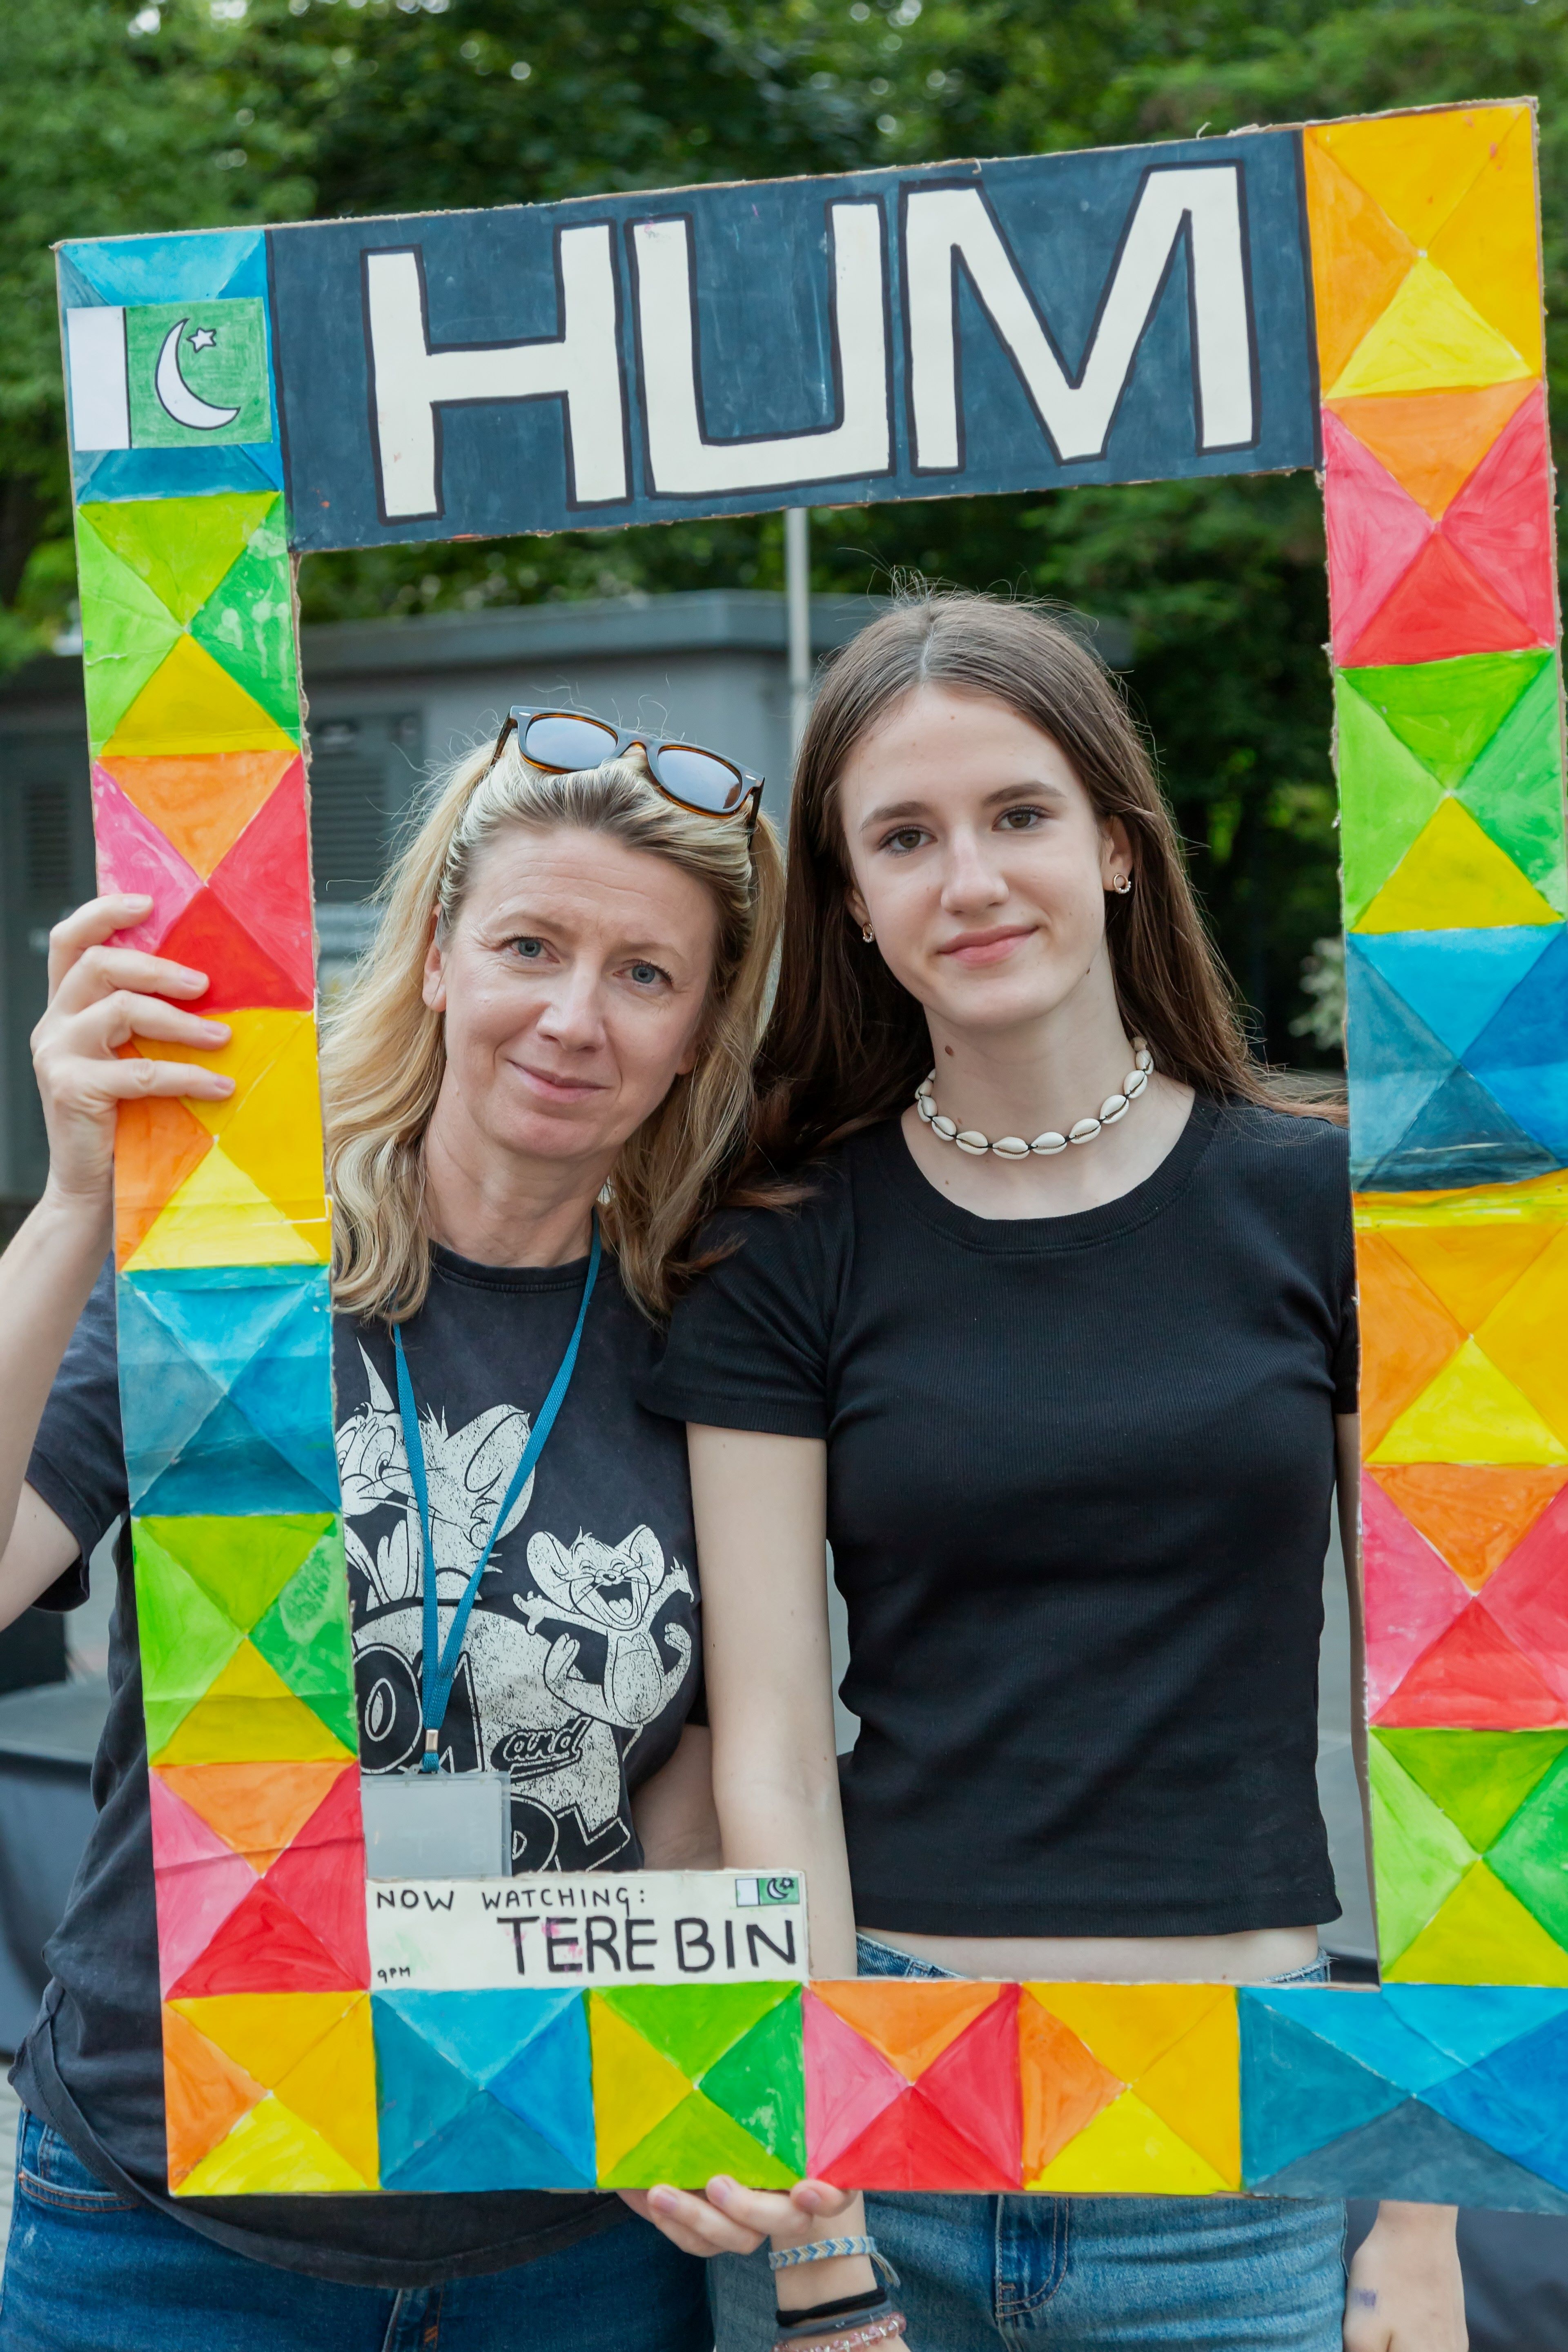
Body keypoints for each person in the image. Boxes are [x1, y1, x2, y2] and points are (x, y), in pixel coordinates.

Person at [630, 595, 1468, 2352]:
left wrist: (1430, 2203)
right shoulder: (784, 1245)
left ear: (1116, 844)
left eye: (1018, 815)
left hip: (1246, 2139)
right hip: (895, 2118)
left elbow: (1444, 1707)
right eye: (904, 840)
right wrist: (818, 2218)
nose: (971, 880)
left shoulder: (1328, 1209)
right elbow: (770, 1744)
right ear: (852, 907)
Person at [0, 712, 783, 2352]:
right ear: (435, 957)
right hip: (173, 2219)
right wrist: (77, 1206)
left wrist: (697, 2074)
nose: (573, 1017)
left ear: (701, 1032)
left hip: (562, 2232)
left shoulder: (713, 1340)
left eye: (645, 975)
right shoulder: (231, 1275)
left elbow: (696, 1778)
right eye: (529, 946)